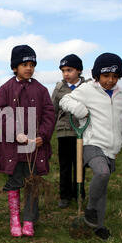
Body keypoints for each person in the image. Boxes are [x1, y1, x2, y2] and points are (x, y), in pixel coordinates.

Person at [60, 53, 122, 240]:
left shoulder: (120, 93)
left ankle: (98, 226)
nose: (110, 80)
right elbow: (65, 100)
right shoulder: (87, 89)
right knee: (102, 173)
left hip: (112, 148)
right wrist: (79, 110)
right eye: (106, 76)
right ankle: (90, 209)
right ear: (97, 75)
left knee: (102, 188)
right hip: (92, 143)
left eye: (115, 77)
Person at [0, 45, 56, 237]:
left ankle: (29, 221)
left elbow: (49, 115)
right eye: (24, 64)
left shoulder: (41, 89)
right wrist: (15, 134)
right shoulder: (5, 88)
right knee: (14, 181)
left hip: (35, 148)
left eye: (32, 64)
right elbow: (1, 114)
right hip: (13, 148)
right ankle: (15, 219)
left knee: (32, 182)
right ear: (15, 67)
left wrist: (43, 136)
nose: (28, 68)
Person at [51, 54, 90, 208]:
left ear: (79, 70)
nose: (66, 74)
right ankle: (65, 195)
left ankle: (79, 192)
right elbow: (52, 108)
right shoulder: (60, 88)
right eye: (63, 71)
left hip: (82, 131)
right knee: (65, 165)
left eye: (69, 70)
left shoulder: (87, 86)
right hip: (64, 131)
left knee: (80, 163)